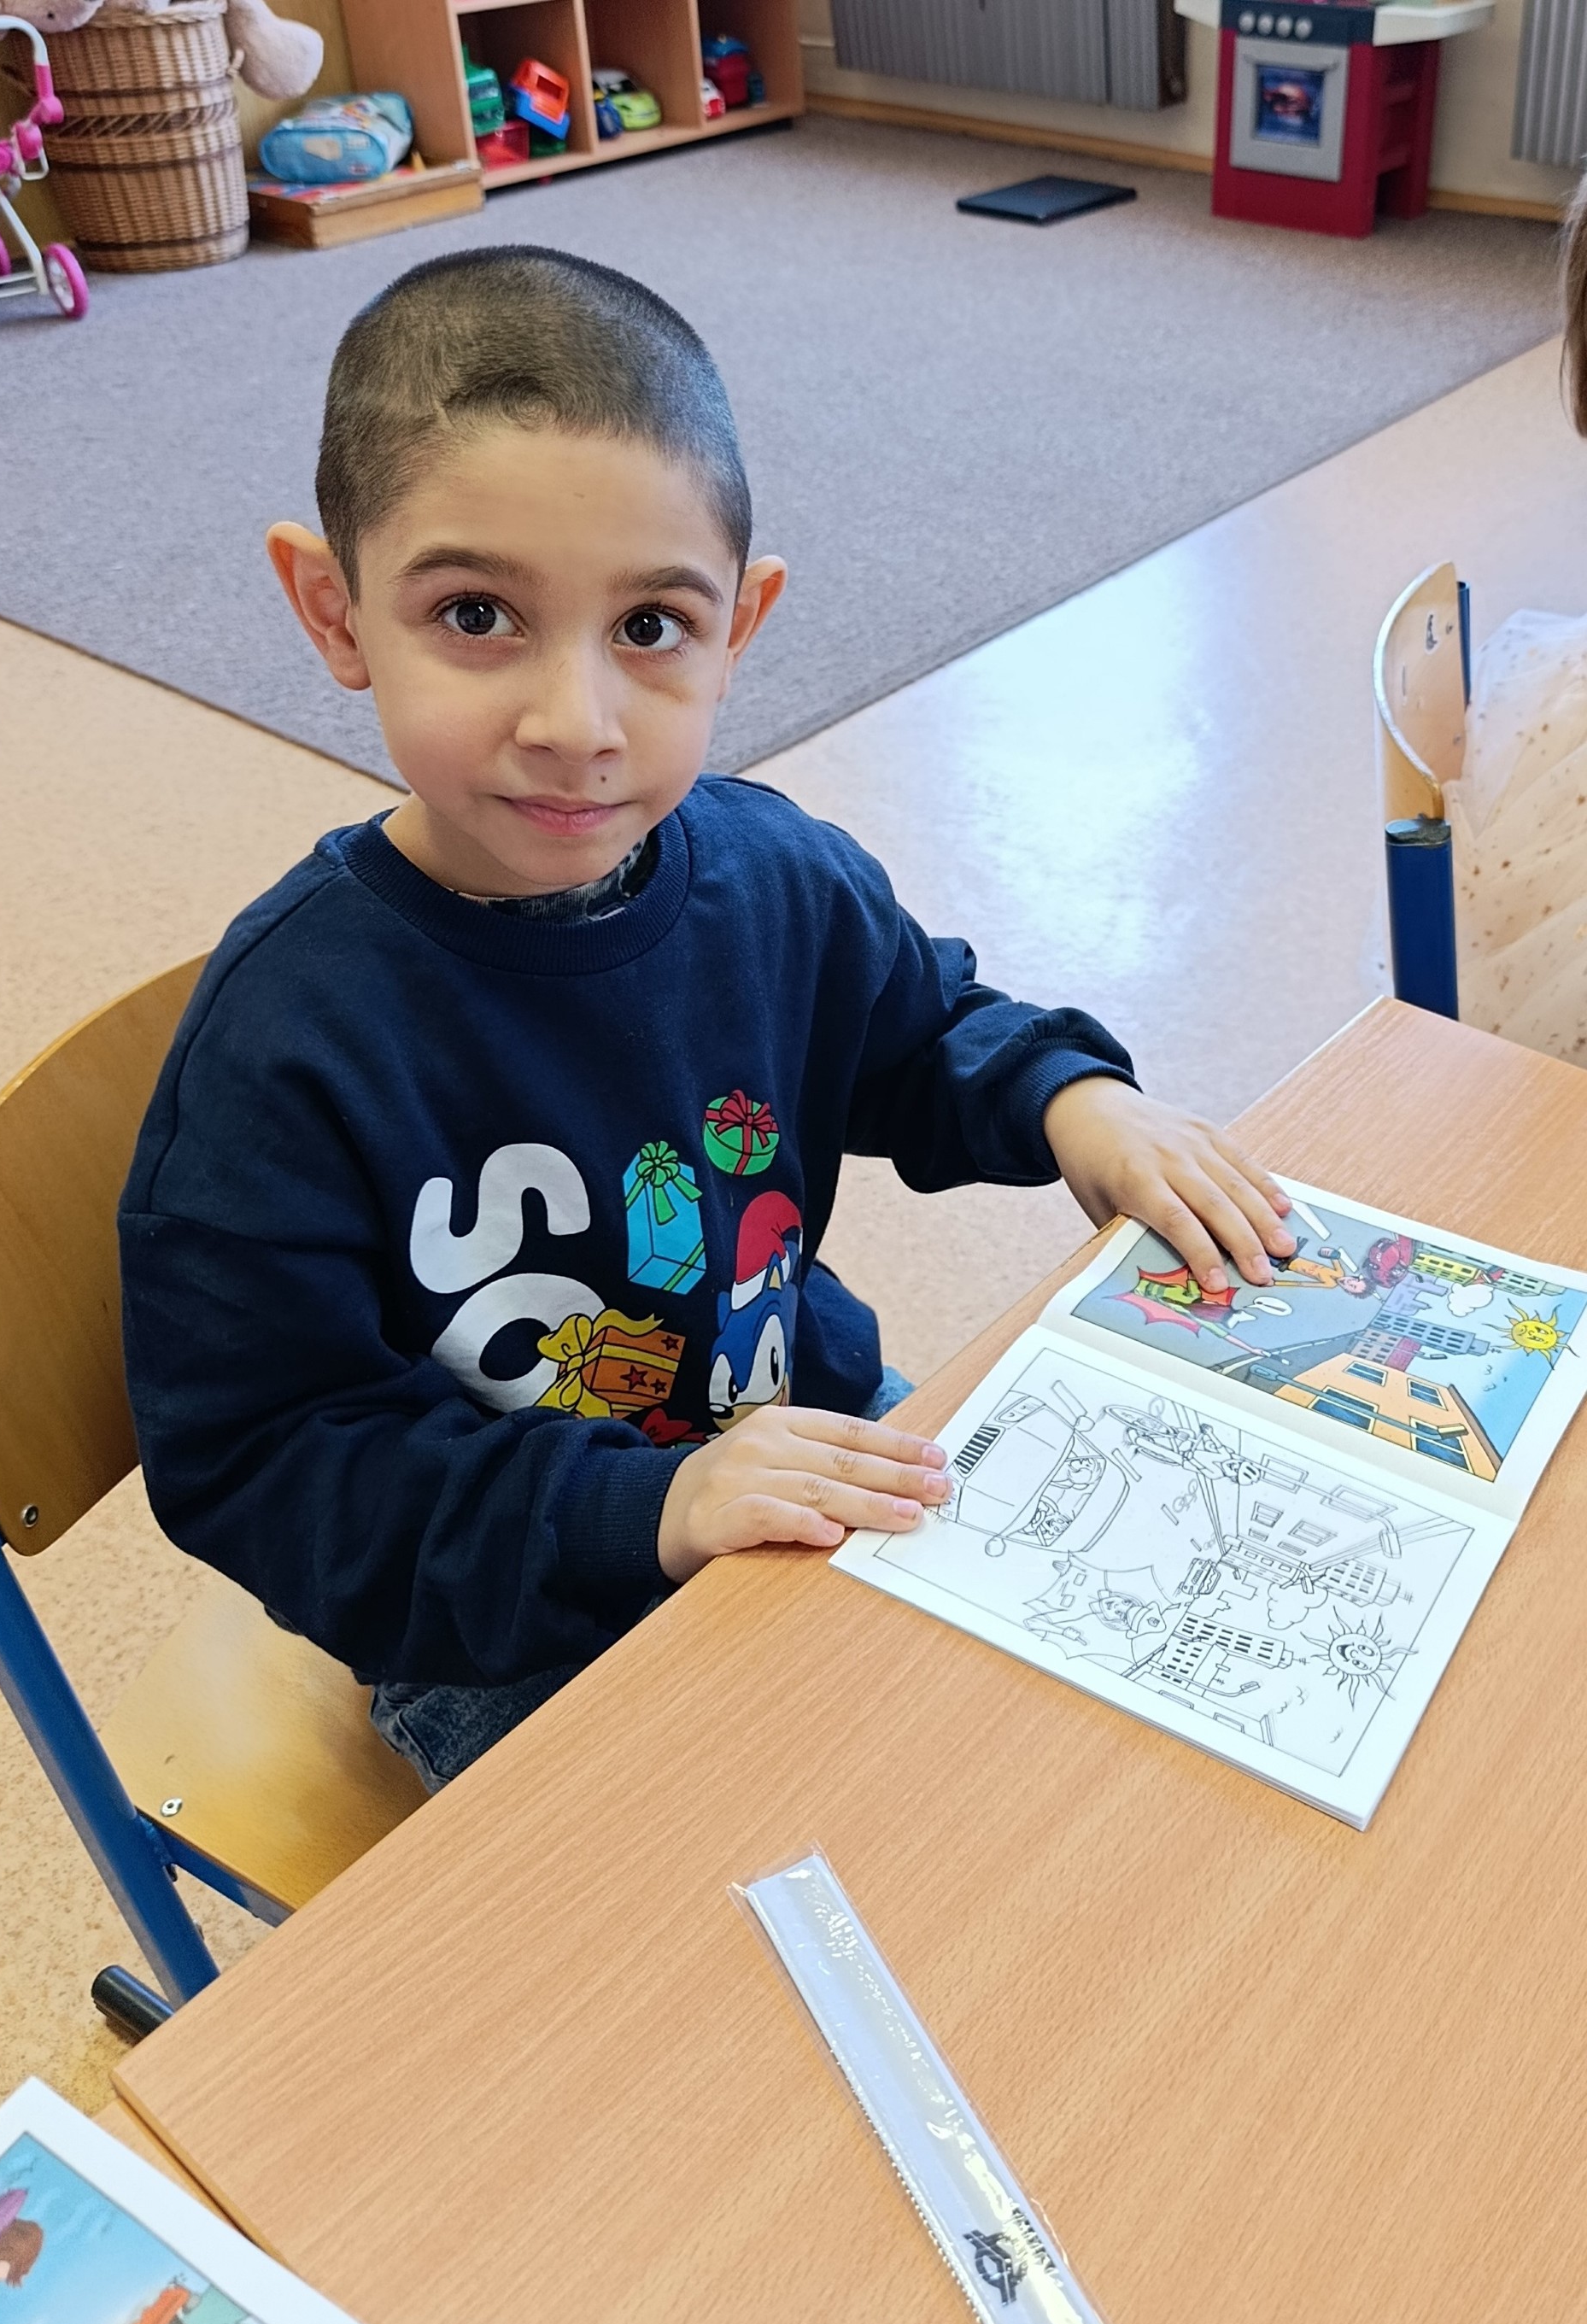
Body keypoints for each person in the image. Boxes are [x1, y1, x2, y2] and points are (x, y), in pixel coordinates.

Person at [120, 246, 1296, 1793]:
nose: (577, 725)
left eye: (651, 628)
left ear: (741, 623)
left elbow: (920, 1026)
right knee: (776, 1864)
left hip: (806, 1435)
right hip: (514, 1609)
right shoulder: (286, 1042)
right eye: (476, 613)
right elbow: (268, 1463)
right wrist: (653, 1508)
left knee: (1060, 1756)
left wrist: (1079, 1100)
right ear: (334, 613)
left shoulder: (778, 877)